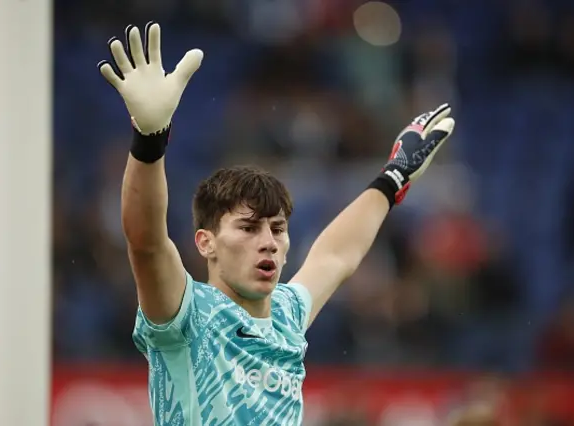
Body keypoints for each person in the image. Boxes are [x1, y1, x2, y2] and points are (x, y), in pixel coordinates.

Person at [98, 22, 455, 426]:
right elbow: (145, 241)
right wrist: (149, 139)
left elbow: (335, 254)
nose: (268, 242)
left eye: (277, 229)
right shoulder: (185, 313)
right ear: (205, 242)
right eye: (248, 229)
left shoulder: (287, 311)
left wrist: (394, 177)